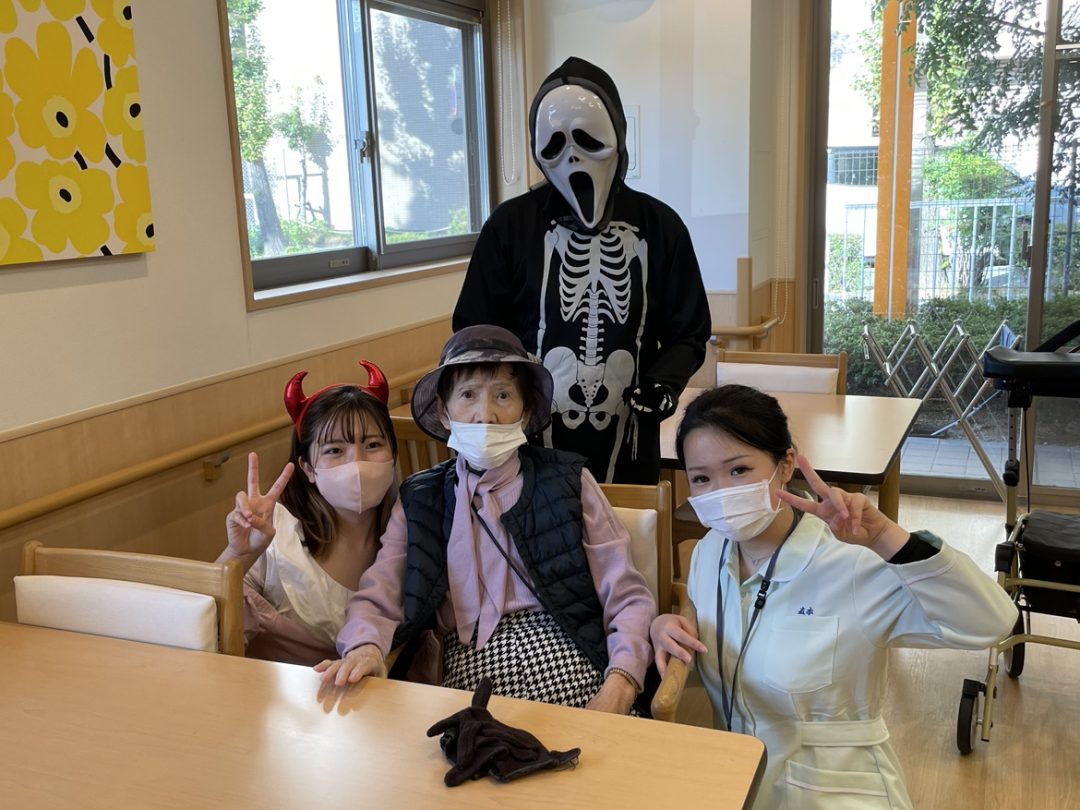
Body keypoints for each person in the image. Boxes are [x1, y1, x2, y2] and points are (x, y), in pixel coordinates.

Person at [650, 385, 1017, 809]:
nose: (721, 492)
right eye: (701, 478)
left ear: (786, 464)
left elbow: (991, 623)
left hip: (837, 790)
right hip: (737, 782)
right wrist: (665, 626)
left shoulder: (851, 564)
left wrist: (886, 538)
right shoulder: (709, 552)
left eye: (739, 470)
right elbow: (712, 643)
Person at [315, 325, 656, 715]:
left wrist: (621, 681)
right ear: (443, 411)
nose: (485, 414)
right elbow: (380, 594)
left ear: (525, 411)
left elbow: (626, 594)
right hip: (464, 665)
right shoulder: (420, 497)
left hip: (567, 650)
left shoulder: (570, 480)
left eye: (503, 395)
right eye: (468, 395)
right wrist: (365, 646)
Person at [453, 56, 711, 485]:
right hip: (525, 445)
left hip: (630, 432)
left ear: (616, 137)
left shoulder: (659, 225)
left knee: (626, 520)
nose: (572, 157)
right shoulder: (511, 226)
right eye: (554, 145)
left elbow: (690, 330)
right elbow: (474, 333)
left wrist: (662, 383)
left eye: (587, 140)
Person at [217, 360, 398, 666]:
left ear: (393, 454)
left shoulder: (413, 530)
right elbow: (205, 624)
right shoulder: (275, 533)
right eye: (334, 450)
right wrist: (239, 554)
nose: (356, 462)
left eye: (372, 444)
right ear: (308, 468)